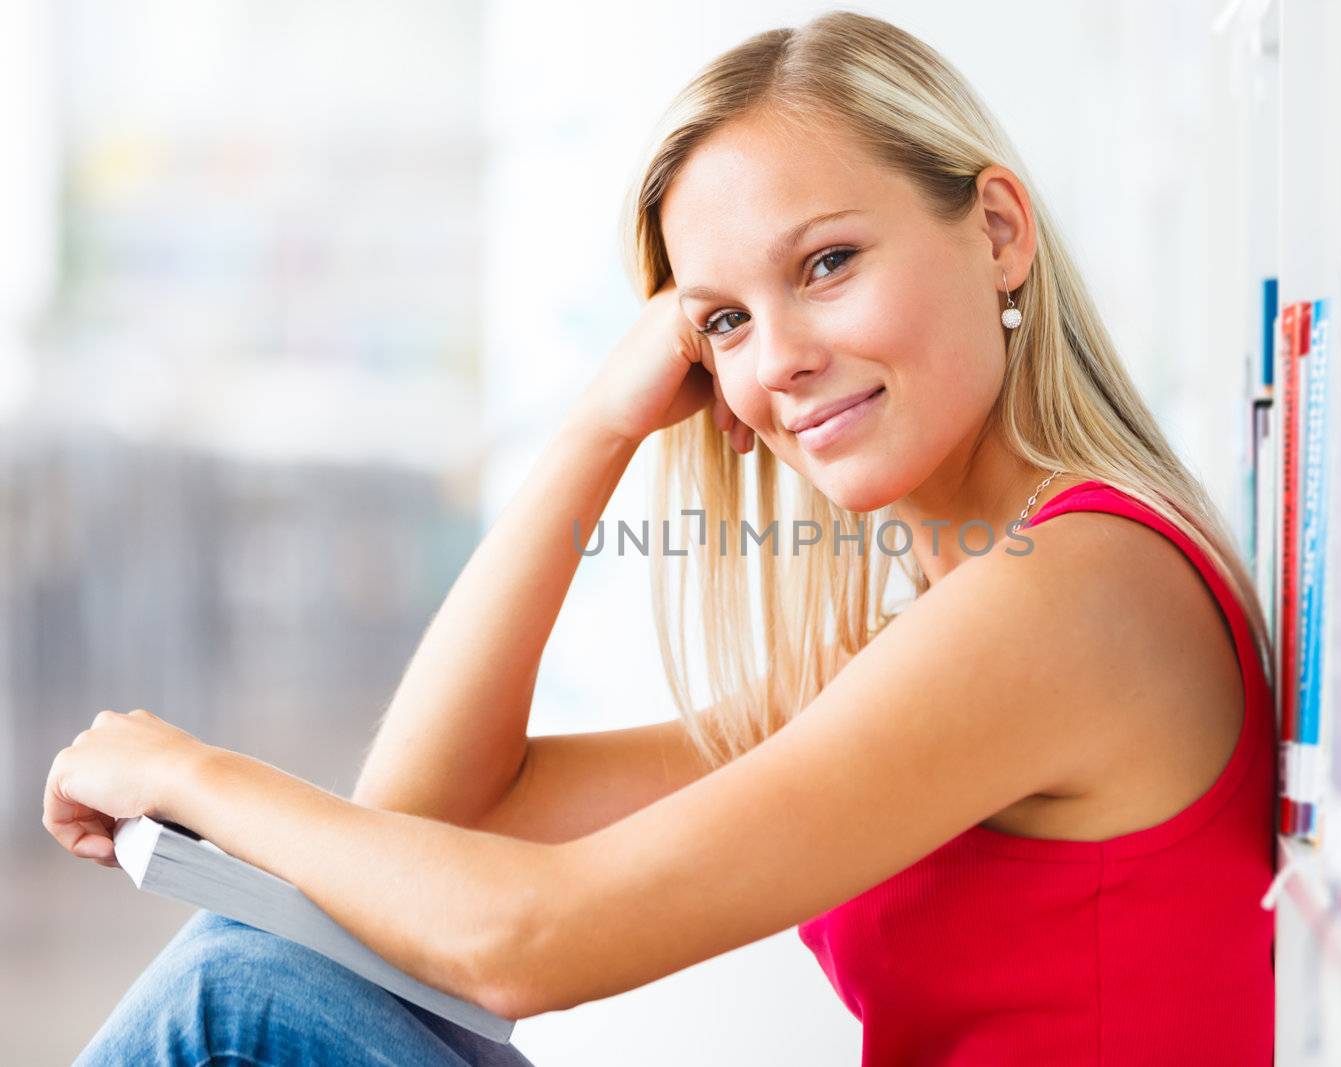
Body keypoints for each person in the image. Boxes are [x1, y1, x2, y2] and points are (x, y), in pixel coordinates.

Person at [48, 10, 1275, 1065]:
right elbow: (435, 812)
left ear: (998, 230)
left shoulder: (1070, 593)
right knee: (253, 960)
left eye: (830, 262)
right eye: (728, 321)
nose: (780, 357)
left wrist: (188, 773)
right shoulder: (937, 623)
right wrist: (597, 427)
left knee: (241, 994)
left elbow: (532, 939)